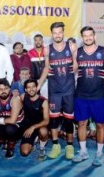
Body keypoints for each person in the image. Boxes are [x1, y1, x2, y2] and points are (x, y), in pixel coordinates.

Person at [72, 26, 104, 166]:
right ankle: (83, 152)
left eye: (90, 35)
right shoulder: (78, 52)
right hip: (81, 95)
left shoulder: (103, 50)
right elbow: (72, 69)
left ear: (95, 36)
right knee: (81, 123)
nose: (88, 37)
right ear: (82, 38)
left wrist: (103, 77)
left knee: (100, 124)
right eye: (85, 35)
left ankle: (99, 153)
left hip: (98, 95)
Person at [38, 22, 78, 160]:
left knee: (68, 119)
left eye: (60, 32)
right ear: (51, 34)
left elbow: (76, 64)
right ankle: (55, 145)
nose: (57, 35)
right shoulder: (47, 49)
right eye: (55, 33)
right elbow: (46, 68)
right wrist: (39, 83)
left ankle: (69, 146)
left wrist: (73, 69)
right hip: (54, 89)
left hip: (68, 89)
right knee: (54, 119)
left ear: (63, 32)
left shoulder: (71, 46)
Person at [0, 78, 24, 158]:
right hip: (4, 124)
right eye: (0, 89)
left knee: (10, 129)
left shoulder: (15, 99)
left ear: (9, 89)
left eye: (6, 88)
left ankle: (10, 147)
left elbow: (13, 120)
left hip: (18, 127)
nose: (3, 91)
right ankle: (2, 139)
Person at [20, 79, 49, 160]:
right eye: (28, 87)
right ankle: (34, 141)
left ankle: (42, 147)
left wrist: (33, 127)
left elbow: (46, 120)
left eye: (33, 87)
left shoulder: (43, 101)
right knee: (24, 152)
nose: (31, 89)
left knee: (43, 132)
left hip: (40, 125)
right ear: (25, 89)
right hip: (27, 126)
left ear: (37, 88)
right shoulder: (23, 97)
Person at [27, 34, 48, 98]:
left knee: (46, 98)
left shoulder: (47, 51)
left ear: (42, 41)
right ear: (34, 42)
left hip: (46, 80)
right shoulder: (29, 52)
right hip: (34, 80)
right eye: (36, 40)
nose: (38, 42)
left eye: (40, 40)